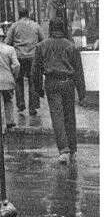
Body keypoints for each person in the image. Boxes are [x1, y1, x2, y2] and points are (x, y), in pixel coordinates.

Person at [32, 18, 86, 165]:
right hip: (68, 83)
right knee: (70, 116)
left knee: (57, 116)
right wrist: (82, 94)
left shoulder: (41, 46)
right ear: (63, 29)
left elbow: (35, 70)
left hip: (51, 83)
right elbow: (78, 72)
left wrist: (38, 89)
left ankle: (64, 150)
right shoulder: (71, 46)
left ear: (50, 29)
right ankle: (73, 149)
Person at [4, 8, 44, 118]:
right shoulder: (35, 25)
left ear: (19, 15)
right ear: (28, 15)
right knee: (33, 81)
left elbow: (7, 42)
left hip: (18, 57)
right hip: (33, 57)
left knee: (18, 80)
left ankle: (20, 104)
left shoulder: (14, 26)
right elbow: (42, 39)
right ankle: (33, 107)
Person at [0, 27, 20, 131]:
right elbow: (16, 65)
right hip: (8, 79)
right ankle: (10, 122)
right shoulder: (10, 49)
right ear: (3, 37)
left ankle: (0, 125)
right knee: (8, 100)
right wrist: (13, 76)